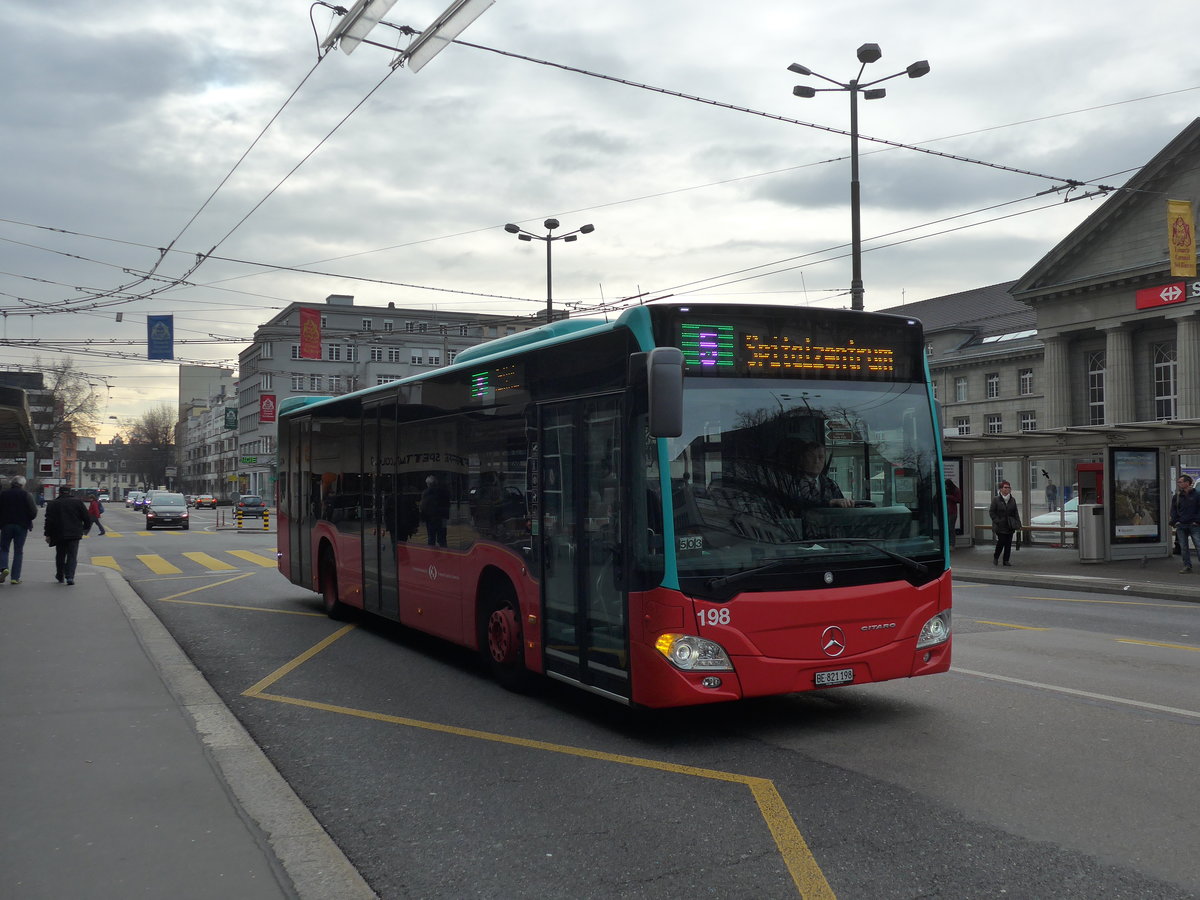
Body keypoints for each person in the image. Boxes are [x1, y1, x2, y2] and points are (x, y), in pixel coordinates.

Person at [43, 487, 94, 585]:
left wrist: (47, 534)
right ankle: (70, 577)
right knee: (72, 555)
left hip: (58, 533)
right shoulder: (78, 502)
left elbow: (48, 520)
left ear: (60, 492)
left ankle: (60, 575)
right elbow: (86, 517)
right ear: (70, 492)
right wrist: (85, 528)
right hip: (74, 533)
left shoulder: (53, 504)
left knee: (60, 555)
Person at [0, 475, 39, 585]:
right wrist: (27, 519)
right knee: (18, 551)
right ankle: (15, 578)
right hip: (21, 526)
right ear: (22, 484)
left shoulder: (3, 494)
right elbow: (33, 511)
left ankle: (3, 568)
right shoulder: (27, 495)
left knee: (3, 548)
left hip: (6, 525)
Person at [796, 442, 853, 508]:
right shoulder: (792, 482)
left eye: (821, 457)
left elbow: (841, 508)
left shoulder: (831, 484)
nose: (816, 461)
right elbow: (799, 504)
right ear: (802, 459)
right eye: (811, 456)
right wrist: (829, 503)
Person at [1168, 474, 1200, 574]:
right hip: (1181, 525)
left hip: (1194, 525)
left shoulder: (1197, 495)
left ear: (1187, 483)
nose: (1178, 484)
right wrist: (1175, 521)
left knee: (1198, 545)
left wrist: (1197, 521)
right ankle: (1187, 566)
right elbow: (1173, 510)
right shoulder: (1177, 496)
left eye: (1180, 482)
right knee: (1184, 547)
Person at [989, 480, 1020, 566]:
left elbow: (1015, 513)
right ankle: (996, 557)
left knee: (1008, 543)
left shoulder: (1012, 500)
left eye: (1009, 487)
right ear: (1001, 489)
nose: (1007, 489)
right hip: (1000, 526)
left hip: (1010, 525)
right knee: (1001, 541)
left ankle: (1006, 560)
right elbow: (992, 512)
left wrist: (1018, 524)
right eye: (1005, 487)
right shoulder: (996, 499)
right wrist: (997, 521)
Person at [419, 475, 450, 547]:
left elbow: (423, 506)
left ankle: (432, 555)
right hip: (442, 518)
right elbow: (447, 504)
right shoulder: (444, 492)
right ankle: (445, 554)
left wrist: (423, 518)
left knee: (431, 538)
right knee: (442, 538)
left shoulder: (426, 493)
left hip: (430, 519)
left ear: (428, 484)